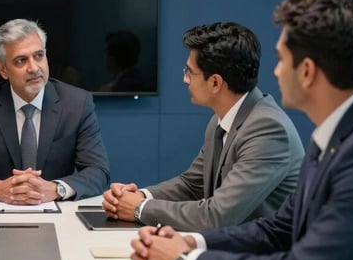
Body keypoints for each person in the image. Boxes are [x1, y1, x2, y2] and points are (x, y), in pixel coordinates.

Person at [130, 0, 353, 260]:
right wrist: (192, 242)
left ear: (306, 71)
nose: (274, 71)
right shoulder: (341, 131)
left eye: (281, 58)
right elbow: (280, 229)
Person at [103, 22, 302, 231]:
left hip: (263, 258)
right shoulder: (221, 120)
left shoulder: (267, 129)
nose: (184, 79)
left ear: (215, 83)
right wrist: (139, 196)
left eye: (189, 72)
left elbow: (217, 216)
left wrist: (139, 208)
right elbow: (192, 185)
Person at [0, 18, 110, 203]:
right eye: (21, 60)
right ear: (3, 69)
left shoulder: (77, 103)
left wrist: (56, 189)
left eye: (39, 55)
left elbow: (98, 171)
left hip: (58, 213)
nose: (33, 68)